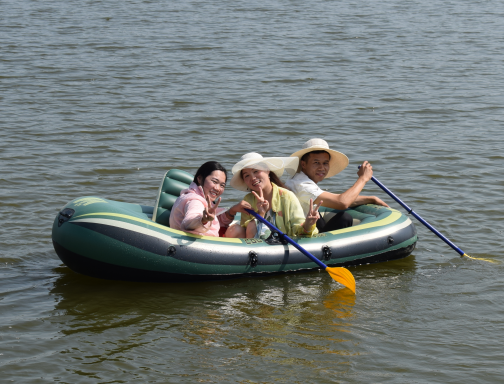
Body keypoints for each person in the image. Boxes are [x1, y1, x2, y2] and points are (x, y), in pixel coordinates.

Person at [285, 138, 389, 232]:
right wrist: (363, 178)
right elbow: (342, 202)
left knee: (318, 216)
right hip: (299, 235)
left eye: (325, 163)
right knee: (344, 218)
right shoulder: (301, 184)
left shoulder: (300, 179)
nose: (322, 168)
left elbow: (336, 199)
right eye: (316, 162)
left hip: (305, 228)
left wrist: (372, 199)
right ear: (303, 164)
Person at [228, 152, 320, 239]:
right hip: (256, 248)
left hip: (282, 246)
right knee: (235, 229)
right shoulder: (248, 199)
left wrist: (308, 224)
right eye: (247, 176)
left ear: (267, 171)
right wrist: (261, 214)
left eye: (256, 171)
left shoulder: (287, 196)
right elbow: (248, 232)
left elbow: (298, 229)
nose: (252, 178)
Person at [169, 161, 251, 237]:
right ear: (200, 178)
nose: (218, 188)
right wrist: (203, 220)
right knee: (238, 230)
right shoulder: (195, 202)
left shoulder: (193, 195)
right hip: (197, 246)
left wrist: (232, 210)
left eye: (222, 185)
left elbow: (214, 221)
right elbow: (189, 221)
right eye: (214, 181)